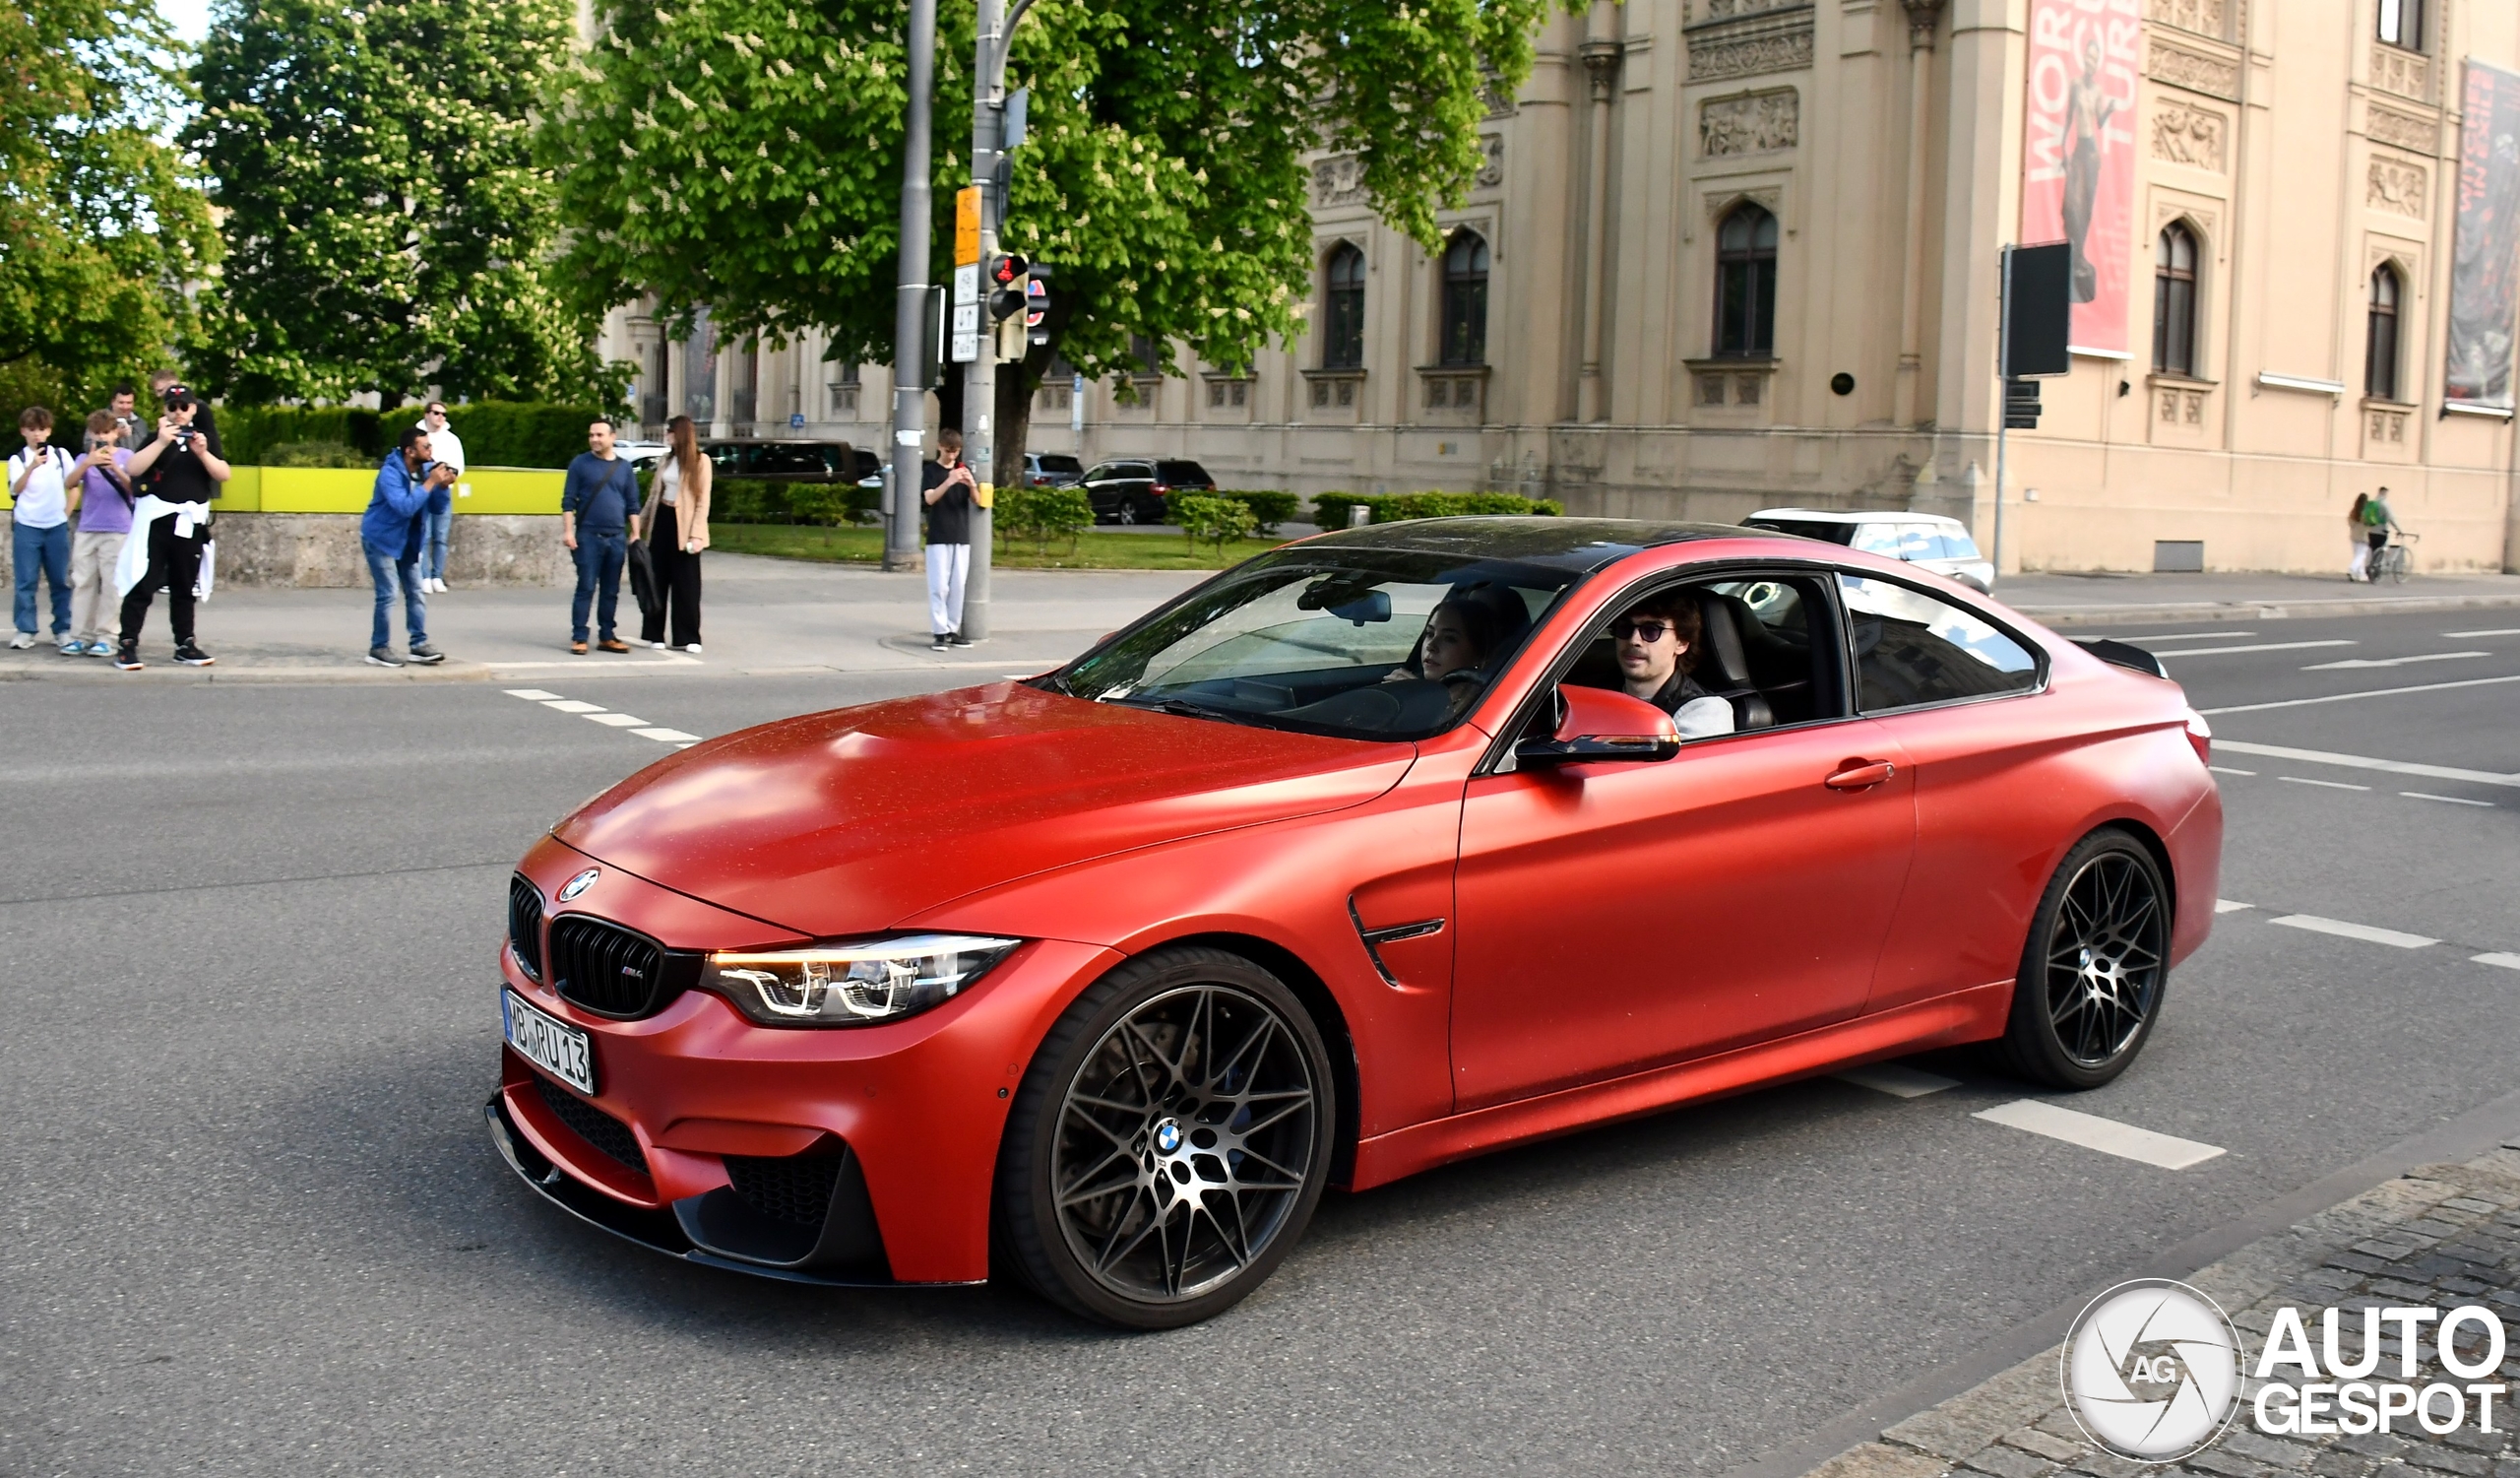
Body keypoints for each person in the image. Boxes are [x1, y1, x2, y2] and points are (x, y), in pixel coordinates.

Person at [114, 385, 229, 671]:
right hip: (157, 523)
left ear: (193, 409)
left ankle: (185, 643)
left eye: (184, 407)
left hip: (188, 524)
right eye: (172, 407)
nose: (178, 412)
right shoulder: (156, 438)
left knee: (183, 586)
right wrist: (161, 442)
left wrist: (202, 453)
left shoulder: (205, 440)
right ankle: (128, 642)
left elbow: (223, 473)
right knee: (144, 582)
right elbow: (134, 468)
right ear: (165, 410)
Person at [360, 425, 454, 667]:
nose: (430, 450)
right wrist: (430, 483)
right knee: (388, 594)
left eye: (431, 446)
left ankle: (418, 644)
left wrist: (442, 487)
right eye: (426, 446)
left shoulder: (425, 472)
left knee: (416, 592)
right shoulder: (389, 473)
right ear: (410, 451)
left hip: (409, 541)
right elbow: (404, 507)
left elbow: (437, 508)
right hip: (381, 539)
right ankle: (378, 648)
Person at [561, 418, 641, 655]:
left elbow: (632, 503)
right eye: (591, 435)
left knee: (611, 589)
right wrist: (568, 531)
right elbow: (568, 501)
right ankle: (579, 636)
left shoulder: (624, 468)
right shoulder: (580, 464)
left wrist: (635, 533)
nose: (594, 439)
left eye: (599, 435)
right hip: (588, 535)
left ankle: (607, 635)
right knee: (586, 586)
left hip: (616, 536)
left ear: (612, 437)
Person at [1610, 590, 1735, 739]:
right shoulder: (1596, 692)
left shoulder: (1706, 711)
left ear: (1681, 643)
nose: (1633, 640)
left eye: (1651, 630)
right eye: (1625, 628)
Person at [639, 414, 711, 653]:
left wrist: (697, 534)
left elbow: (703, 501)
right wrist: (639, 525)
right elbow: (653, 496)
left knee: (686, 584)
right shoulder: (665, 460)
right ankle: (654, 633)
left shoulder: (701, 462)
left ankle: (688, 636)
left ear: (679, 433)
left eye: (668, 432)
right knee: (656, 580)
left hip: (685, 525)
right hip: (663, 520)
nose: (665, 436)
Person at [9, 407, 78, 652]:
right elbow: (15, 489)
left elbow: (74, 485)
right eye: (32, 430)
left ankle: (63, 629)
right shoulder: (18, 459)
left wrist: (65, 514)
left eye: (41, 429)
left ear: (49, 430)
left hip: (55, 526)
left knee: (60, 580)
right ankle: (25, 629)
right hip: (27, 525)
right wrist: (32, 467)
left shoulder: (61, 455)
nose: (37, 434)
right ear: (23, 431)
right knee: (25, 581)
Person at [65, 411, 135, 655]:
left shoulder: (127, 456)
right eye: (97, 433)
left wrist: (115, 467)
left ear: (116, 433)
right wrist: (87, 463)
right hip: (88, 527)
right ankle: (79, 635)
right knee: (82, 582)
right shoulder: (84, 458)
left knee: (112, 585)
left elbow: (133, 489)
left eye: (106, 433)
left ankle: (107, 636)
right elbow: (70, 484)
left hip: (118, 528)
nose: (102, 438)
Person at [922, 428, 976, 651]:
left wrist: (971, 483)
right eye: (948, 451)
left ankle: (952, 630)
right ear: (940, 447)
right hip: (938, 535)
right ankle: (939, 632)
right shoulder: (931, 471)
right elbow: (929, 498)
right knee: (939, 586)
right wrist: (949, 481)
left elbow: (980, 501)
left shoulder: (963, 470)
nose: (952, 456)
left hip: (961, 535)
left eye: (955, 452)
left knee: (957, 586)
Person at [415, 401, 465, 593]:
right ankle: (424, 576)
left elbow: (459, 466)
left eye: (443, 414)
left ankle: (437, 575)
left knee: (441, 536)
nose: (440, 417)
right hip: (423, 489)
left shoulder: (452, 439)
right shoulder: (417, 436)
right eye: (436, 413)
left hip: (443, 490)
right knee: (423, 534)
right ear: (427, 414)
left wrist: (447, 476)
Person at [2363, 485, 2403, 577]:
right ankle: (2377, 570)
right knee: (2382, 550)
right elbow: (2391, 518)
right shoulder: (2385, 504)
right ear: (2384, 492)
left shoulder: (2373, 503)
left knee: (2374, 550)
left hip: (2371, 531)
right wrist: (2399, 529)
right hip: (2382, 531)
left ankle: (2370, 568)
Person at [2346, 492, 2371, 581]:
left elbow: (2350, 522)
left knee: (2357, 555)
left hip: (2354, 536)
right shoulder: (2367, 512)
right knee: (2361, 555)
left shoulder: (2354, 511)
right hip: (2363, 536)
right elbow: (2370, 524)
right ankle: (2352, 569)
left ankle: (2360, 574)